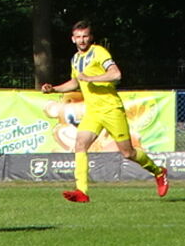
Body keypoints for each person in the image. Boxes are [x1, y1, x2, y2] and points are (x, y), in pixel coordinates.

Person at [40, 22, 169, 201]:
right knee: (80, 144)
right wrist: (53, 89)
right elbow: (75, 83)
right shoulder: (75, 59)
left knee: (128, 152)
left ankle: (158, 171)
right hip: (93, 111)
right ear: (72, 39)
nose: (82, 40)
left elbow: (116, 74)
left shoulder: (99, 52)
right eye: (78, 37)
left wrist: (92, 78)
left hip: (111, 109)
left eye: (85, 36)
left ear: (90, 37)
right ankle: (82, 191)